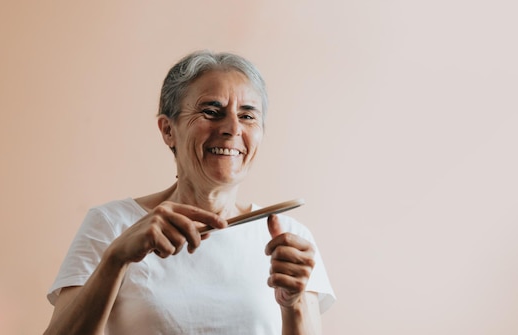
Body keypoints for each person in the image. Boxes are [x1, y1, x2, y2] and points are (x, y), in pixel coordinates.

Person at [44, 50, 336, 335]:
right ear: (168, 130)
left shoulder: (290, 239)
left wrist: (293, 305)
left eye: (248, 116)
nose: (232, 128)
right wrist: (115, 260)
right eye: (211, 112)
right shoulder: (111, 225)